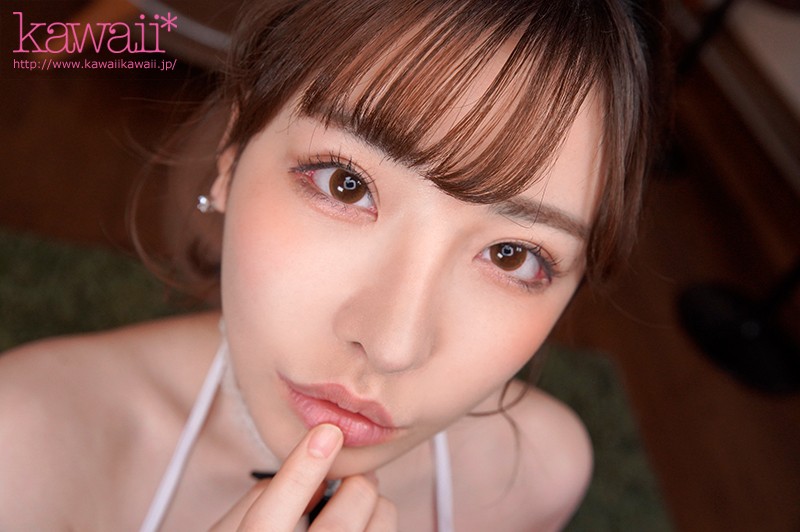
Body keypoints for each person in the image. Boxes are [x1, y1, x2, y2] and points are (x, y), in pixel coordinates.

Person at [0, 0, 665, 530]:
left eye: (512, 255)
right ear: (232, 153)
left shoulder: (539, 476)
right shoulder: (22, 454)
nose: (392, 346)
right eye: (346, 185)